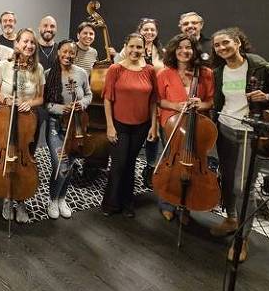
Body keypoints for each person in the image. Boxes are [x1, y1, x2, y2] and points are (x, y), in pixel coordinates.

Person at [209, 27, 269, 262]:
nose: (222, 48)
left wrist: (267, 97)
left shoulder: (261, 66)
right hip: (225, 129)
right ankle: (231, 218)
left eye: (226, 43)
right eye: (217, 45)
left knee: (243, 187)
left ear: (238, 42)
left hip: (250, 134)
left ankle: (241, 239)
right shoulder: (220, 72)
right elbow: (220, 101)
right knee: (226, 178)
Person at [154, 34, 214, 222]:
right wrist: (175, 106)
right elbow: (158, 100)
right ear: (174, 50)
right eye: (180, 47)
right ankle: (166, 202)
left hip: (196, 127)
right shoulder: (164, 73)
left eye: (188, 47)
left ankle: (185, 205)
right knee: (169, 164)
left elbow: (211, 101)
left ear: (195, 51)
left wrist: (201, 105)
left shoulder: (205, 73)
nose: (184, 51)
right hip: (171, 124)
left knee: (192, 166)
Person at [100, 33, 158, 217]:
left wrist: (153, 126)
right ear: (125, 47)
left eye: (139, 47)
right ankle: (110, 204)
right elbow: (108, 99)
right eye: (131, 46)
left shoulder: (149, 70)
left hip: (141, 126)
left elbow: (153, 101)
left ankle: (127, 203)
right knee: (118, 165)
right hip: (119, 125)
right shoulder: (115, 69)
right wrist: (109, 125)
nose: (135, 50)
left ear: (144, 49)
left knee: (131, 164)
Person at [0, 28, 45, 223]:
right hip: (7, 119)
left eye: (32, 42)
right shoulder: (3, 66)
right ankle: (7, 197)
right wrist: (5, 100)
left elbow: (41, 98)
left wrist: (28, 103)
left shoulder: (38, 69)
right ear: (17, 44)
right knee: (7, 156)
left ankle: (21, 200)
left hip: (29, 121)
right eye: (25, 41)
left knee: (26, 158)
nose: (29, 45)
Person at [43, 39, 92, 219]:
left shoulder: (81, 73)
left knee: (70, 165)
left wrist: (82, 103)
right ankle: (52, 199)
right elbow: (45, 103)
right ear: (58, 52)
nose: (68, 55)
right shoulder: (49, 74)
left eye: (71, 52)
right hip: (56, 127)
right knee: (61, 164)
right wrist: (60, 108)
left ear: (76, 54)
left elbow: (89, 94)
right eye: (64, 51)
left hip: (77, 127)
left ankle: (62, 198)